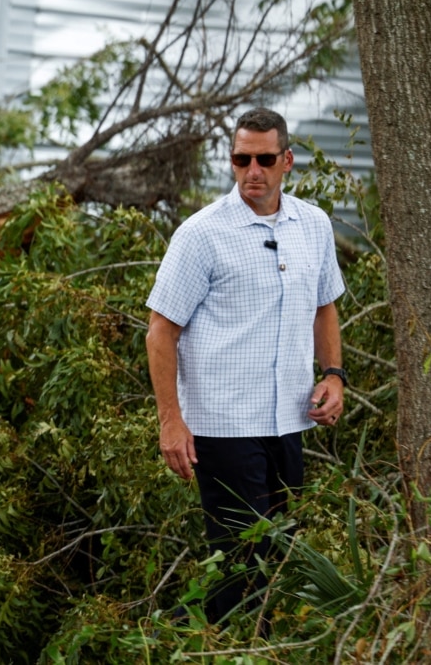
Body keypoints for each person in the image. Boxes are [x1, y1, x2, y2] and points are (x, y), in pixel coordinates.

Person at [145, 107, 346, 623]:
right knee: (241, 563)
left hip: (289, 422)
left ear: (287, 161)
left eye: (263, 159)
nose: (252, 171)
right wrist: (171, 420)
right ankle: (222, 645)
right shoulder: (201, 233)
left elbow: (325, 304)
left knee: (281, 556)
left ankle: (251, 644)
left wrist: (333, 375)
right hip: (224, 427)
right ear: (232, 162)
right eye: (241, 159)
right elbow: (160, 332)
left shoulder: (314, 225)